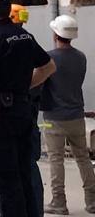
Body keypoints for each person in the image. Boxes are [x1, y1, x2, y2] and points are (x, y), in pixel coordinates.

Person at [0, 0, 56, 217]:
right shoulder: (25, 36)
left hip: (3, 114)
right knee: (25, 171)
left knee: (7, 176)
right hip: (24, 110)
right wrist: (24, 87)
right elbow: (49, 66)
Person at [41, 14, 95, 214]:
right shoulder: (80, 57)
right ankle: (92, 201)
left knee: (56, 159)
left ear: (56, 34)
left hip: (54, 118)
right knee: (83, 158)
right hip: (76, 116)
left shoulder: (49, 58)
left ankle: (59, 202)